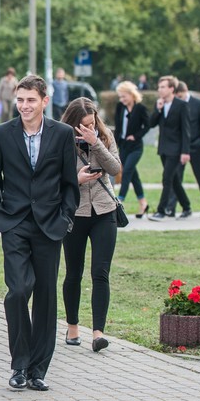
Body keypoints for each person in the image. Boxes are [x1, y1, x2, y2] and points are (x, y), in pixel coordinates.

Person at [0, 74, 79, 392]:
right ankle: (19, 363)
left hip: (50, 225)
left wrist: (65, 218)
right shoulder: (1, 134)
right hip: (14, 223)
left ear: (44, 102)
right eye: (20, 100)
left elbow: (69, 183)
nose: (24, 106)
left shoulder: (63, 134)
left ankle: (38, 369)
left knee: (46, 299)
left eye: (30, 100)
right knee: (19, 290)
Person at [60, 98, 121, 353]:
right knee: (74, 272)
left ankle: (98, 333)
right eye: (83, 125)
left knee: (101, 272)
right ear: (73, 124)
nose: (89, 127)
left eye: (92, 122)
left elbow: (115, 167)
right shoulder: (61, 140)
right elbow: (53, 180)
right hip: (75, 213)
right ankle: (73, 325)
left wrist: (95, 143)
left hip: (104, 211)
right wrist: (77, 179)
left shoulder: (104, 137)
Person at [147, 76, 191, 221]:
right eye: (159, 87)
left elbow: (186, 130)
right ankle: (187, 207)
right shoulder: (159, 104)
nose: (160, 90)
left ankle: (161, 210)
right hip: (164, 148)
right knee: (174, 180)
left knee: (166, 178)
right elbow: (151, 124)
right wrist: (158, 110)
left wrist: (185, 151)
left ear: (172, 88)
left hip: (177, 149)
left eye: (163, 87)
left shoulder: (181, 105)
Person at [170, 81, 200, 217]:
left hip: (195, 147)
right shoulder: (176, 105)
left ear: (185, 91)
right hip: (181, 148)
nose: (178, 99)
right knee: (176, 177)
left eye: (180, 96)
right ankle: (173, 208)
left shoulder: (198, 104)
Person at [114, 81, 151, 218]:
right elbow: (118, 127)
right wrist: (115, 143)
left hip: (135, 146)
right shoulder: (120, 107)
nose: (121, 99)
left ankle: (120, 199)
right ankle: (143, 203)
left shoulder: (140, 108)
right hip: (123, 145)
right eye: (120, 97)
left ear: (131, 94)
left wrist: (135, 136)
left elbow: (147, 126)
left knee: (128, 170)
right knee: (134, 176)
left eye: (124, 96)